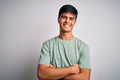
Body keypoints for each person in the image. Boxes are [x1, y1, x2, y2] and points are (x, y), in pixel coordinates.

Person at [37, 4, 91, 80]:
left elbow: (85, 78)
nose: (67, 21)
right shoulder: (47, 45)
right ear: (58, 19)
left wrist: (53, 73)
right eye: (64, 17)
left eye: (71, 18)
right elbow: (42, 74)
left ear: (75, 22)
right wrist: (72, 69)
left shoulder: (83, 47)